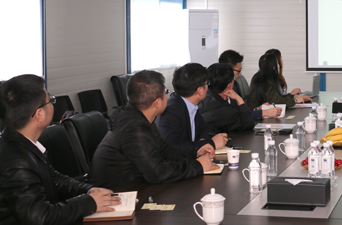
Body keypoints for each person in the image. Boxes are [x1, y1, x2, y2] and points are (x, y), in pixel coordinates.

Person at [0, 74, 120, 225]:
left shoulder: (20, 142)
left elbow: (53, 179)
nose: (52, 104)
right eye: (50, 100)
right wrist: (89, 203)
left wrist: (89, 191)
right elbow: (41, 218)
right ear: (39, 114)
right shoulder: (17, 161)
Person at [89, 70, 218, 190]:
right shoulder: (134, 128)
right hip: (118, 194)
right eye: (165, 92)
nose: (167, 96)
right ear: (157, 103)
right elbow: (157, 173)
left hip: (135, 187)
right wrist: (198, 166)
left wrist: (195, 152)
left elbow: (164, 149)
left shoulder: (138, 117)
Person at [156, 63, 228, 152]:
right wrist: (210, 143)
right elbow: (171, 148)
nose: (207, 87)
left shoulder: (189, 105)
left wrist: (204, 140)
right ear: (199, 90)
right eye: (207, 83)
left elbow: (204, 129)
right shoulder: (171, 112)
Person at [219, 50, 281, 119]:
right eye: (239, 71)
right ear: (228, 70)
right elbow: (234, 117)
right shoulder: (219, 91)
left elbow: (240, 112)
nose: (240, 73)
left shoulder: (235, 86)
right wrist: (264, 113)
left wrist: (257, 109)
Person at [197, 63, 255, 133]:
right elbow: (248, 123)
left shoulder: (199, 98)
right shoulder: (224, 110)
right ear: (229, 85)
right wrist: (238, 98)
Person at [246, 53, 311, 109]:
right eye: (277, 63)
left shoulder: (260, 76)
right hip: (256, 116)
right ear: (273, 67)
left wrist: (294, 97)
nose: (279, 66)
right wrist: (295, 100)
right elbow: (277, 101)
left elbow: (279, 96)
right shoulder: (265, 80)